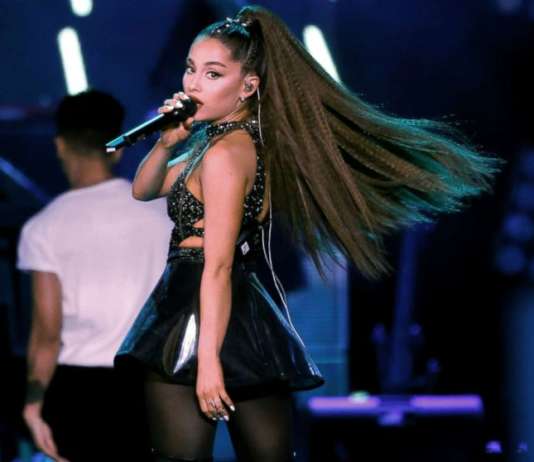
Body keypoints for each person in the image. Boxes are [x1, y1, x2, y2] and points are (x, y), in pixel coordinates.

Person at [115, 6, 499, 462]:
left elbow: (217, 265)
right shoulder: (217, 143)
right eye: (191, 68)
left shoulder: (225, 154)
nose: (193, 84)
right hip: (222, 308)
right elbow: (144, 189)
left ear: (248, 86)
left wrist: (209, 363)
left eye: (212, 74)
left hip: (204, 303)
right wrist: (165, 143)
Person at [17, 90, 172, 462]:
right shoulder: (163, 212)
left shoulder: (44, 227)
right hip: (156, 385)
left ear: (60, 145)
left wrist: (33, 403)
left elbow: (47, 333)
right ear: (117, 149)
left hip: (79, 391)